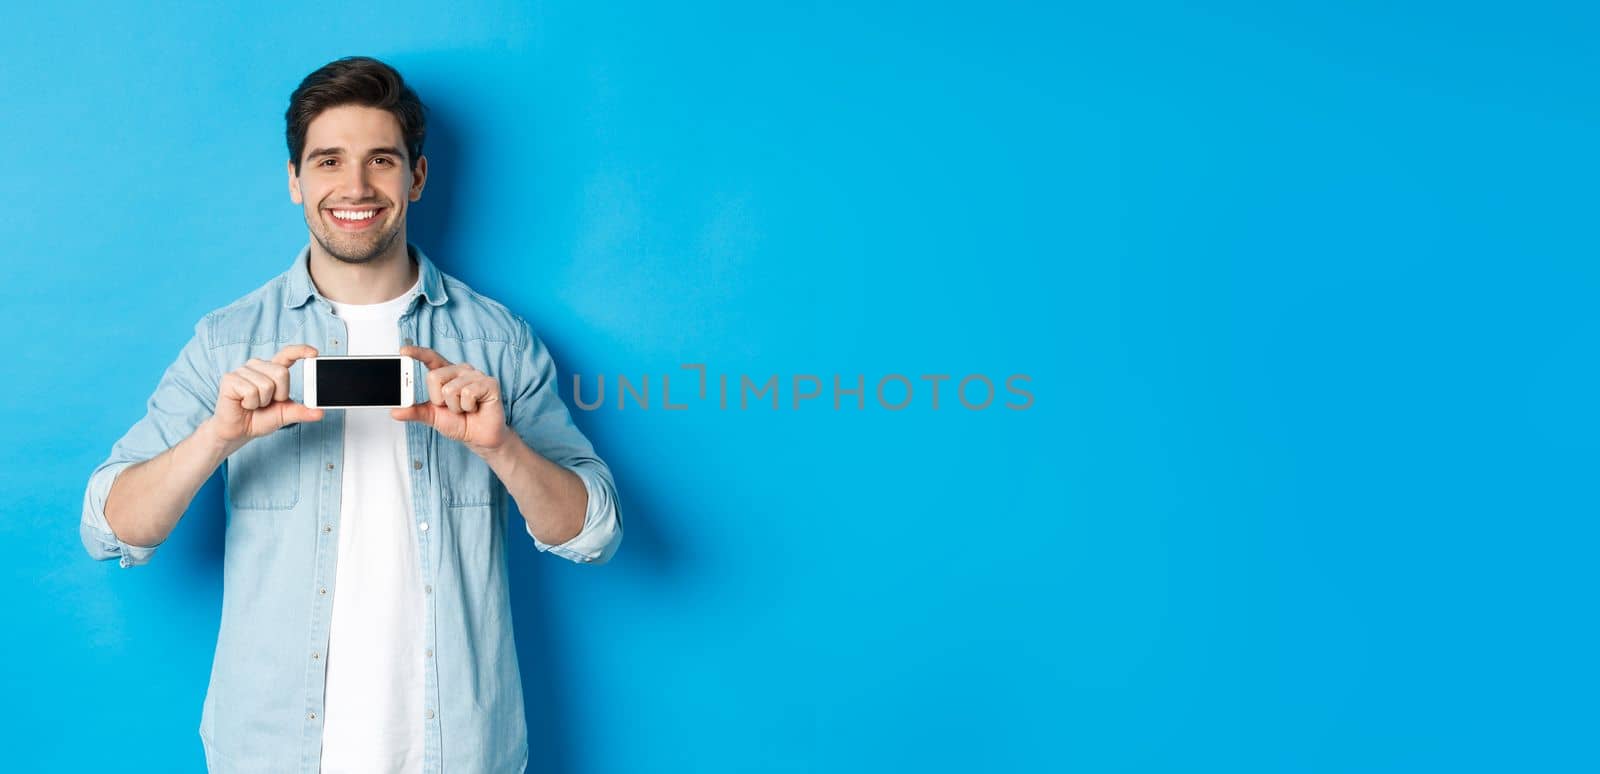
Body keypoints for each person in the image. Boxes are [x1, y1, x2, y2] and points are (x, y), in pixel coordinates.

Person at [78, 55, 623, 773]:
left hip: (457, 749)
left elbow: (594, 533)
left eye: (382, 161)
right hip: (271, 750)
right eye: (329, 160)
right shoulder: (228, 341)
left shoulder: (498, 340)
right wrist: (218, 435)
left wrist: (502, 449)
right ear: (295, 182)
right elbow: (110, 529)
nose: (356, 187)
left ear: (416, 178)